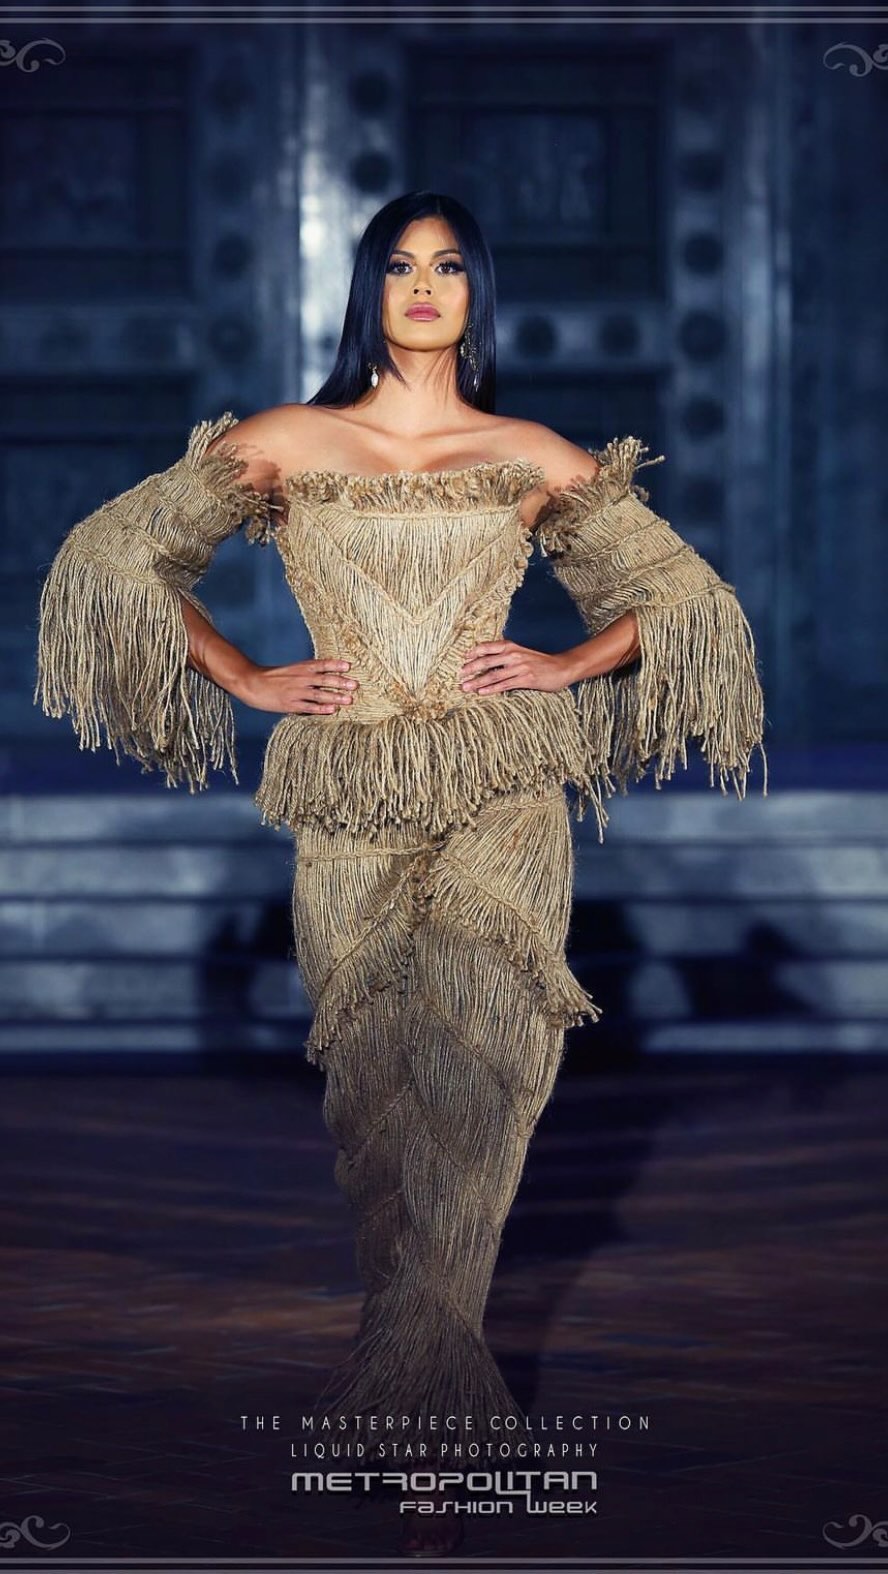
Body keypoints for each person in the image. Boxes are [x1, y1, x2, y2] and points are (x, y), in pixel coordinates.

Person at [34, 189, 767, 1557]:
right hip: (349, 793)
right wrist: (245, 674)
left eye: (448, 267)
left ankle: (431, 1445)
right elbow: (112, 559)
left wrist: (562, 662)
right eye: (399, 266)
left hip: (503, 789)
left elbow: (685, 601)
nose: (424, 287)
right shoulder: (283, 442)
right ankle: (417, 1381)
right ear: (368, 288)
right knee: (382, 1105)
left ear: (476, 291)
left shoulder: (526, 452)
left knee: (479, 1084)